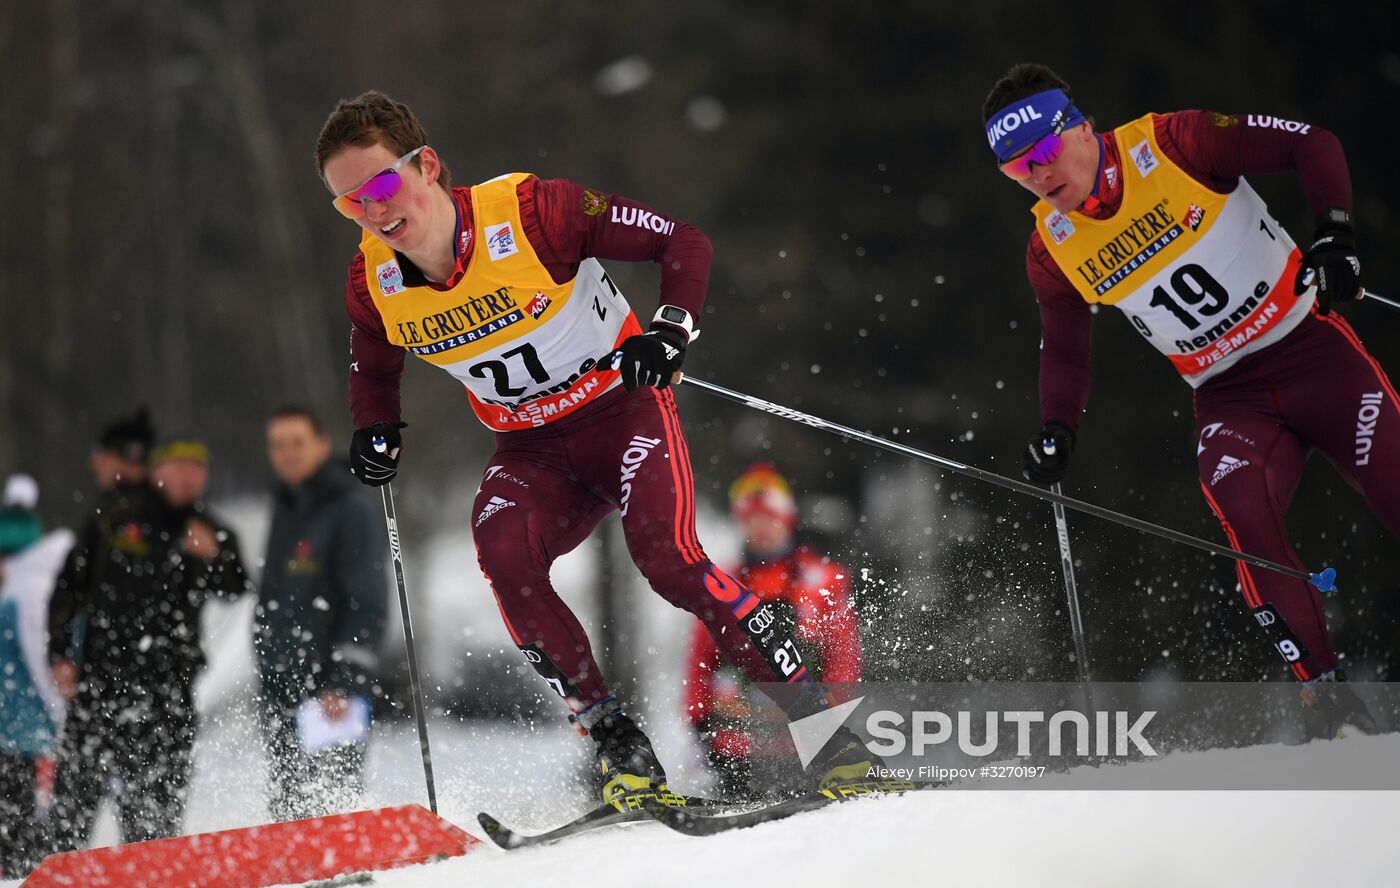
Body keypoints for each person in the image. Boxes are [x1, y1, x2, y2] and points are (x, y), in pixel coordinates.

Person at [314, 90, 886, 805]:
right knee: (503, 555)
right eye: (349, 204)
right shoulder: (373, 279)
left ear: (427, 165)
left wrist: (671, 329)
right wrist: (374, 426)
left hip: (622, 415)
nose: (372, 212)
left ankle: (831, 738)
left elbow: (682, 241)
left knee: (669, 563)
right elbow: (372, 361)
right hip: (531, 451)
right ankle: (620, 748)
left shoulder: (531, 215)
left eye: (381, 187)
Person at [983, 64, 1396, 733]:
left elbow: (1312, 143)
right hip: (1230, 397)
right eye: (1016, 170)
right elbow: (1064, 347)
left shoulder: (1176, 144)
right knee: (1245, 517)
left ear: (1080, 127)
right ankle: (1333, 704)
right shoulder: (1051, 248)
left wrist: (1335, 235)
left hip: (1312, 352)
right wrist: (1057, 428)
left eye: (1043, 154)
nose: (1036, 175)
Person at [46, 435, 249, 851]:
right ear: (156, 471)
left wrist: (214, 555)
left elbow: (238, 587)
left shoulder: (209, 530)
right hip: (99, 691)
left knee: (154, 832)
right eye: (178, 466)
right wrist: (62, 655)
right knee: (69, 821)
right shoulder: (113, 519)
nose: (188, 476)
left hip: (167, 697)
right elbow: (68, 590)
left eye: (197, 467)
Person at [684, 464, 862, 799]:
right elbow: (700, 661)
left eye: (769, 518)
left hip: (804, 744)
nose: (762, 529)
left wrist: (832, 717)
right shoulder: (721, 584)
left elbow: (843, 657)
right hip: (736, 750)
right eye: (753, 520)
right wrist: (697, 718)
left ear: (787, 519)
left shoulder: (825, 579)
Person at [256, 406, 388, 821]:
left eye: (297, 442)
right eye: (278, 445)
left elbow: (367, 599)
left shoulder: (350, 507)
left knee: (333, 809)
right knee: (289, 811)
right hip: (282, 685)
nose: (287, 454)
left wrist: (345, 680)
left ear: (322, 445)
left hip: (331, 691)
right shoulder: (284, 506)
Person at [0, 475, 73, 877]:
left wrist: (58, 721)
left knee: (23, 835)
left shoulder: (27, 592)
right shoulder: (14, 592)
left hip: (25, 736)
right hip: (13, 734)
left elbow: (40, 662)